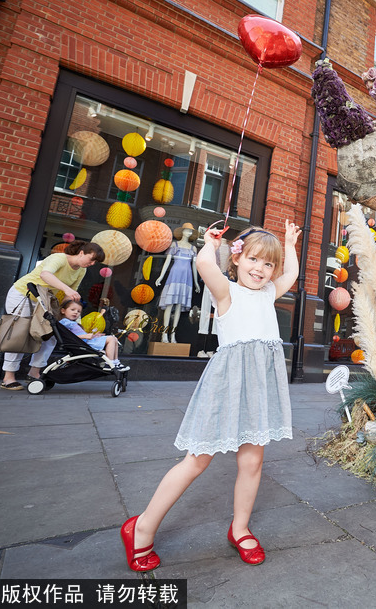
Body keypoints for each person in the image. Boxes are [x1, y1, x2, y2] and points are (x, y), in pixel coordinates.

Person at [120, 220, 301, 571]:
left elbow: (291, 274)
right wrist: (211, 243)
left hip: (260, 388)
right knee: (197, 460)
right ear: (236, 260)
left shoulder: (267, 294)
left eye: (267, 264)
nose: (260, 269)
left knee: (252, 461)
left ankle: (240, 528)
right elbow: (204, 266)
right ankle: (141, 527)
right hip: (227, 385)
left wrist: (291, 245)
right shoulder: (227, 292)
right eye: (252, 260)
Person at [0, 239, 105, 390]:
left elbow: (70, 296)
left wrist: (70, 315)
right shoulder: (59, 258)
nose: (93, 263)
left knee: (51, 335)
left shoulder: (81, 270)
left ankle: (34, 373)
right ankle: (8, 377)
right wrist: (66, 289)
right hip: (24, 295)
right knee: (20, 333)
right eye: (92, 259)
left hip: (45, 302)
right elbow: (45, 274)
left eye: (96, 262)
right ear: (82, 253)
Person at [155, 223, 199, 344]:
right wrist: (161, 276)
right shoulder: (175, 245)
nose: (189, 233)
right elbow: (167, 262)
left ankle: (173, 335)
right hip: (174, 276)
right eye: (187, 230)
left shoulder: (193, 249)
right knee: (169, 305)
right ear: (182, 231)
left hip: (187, 278)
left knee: (179, 307)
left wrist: (196, 282)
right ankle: (164, 334)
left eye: (191, 231)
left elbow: (194, 266)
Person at [57, 299, 128, 369]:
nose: (76, 312)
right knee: (111, 339)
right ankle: (110, 363)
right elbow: (67, 337)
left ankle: (115, 362)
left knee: (114, 338)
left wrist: (95, 336)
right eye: (72, 310)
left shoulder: (72, 323)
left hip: (86, 342)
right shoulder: (64, 322)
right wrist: (85, 336)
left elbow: (78, 335)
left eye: (79, 311)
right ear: (63, 311)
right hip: (84, 345)